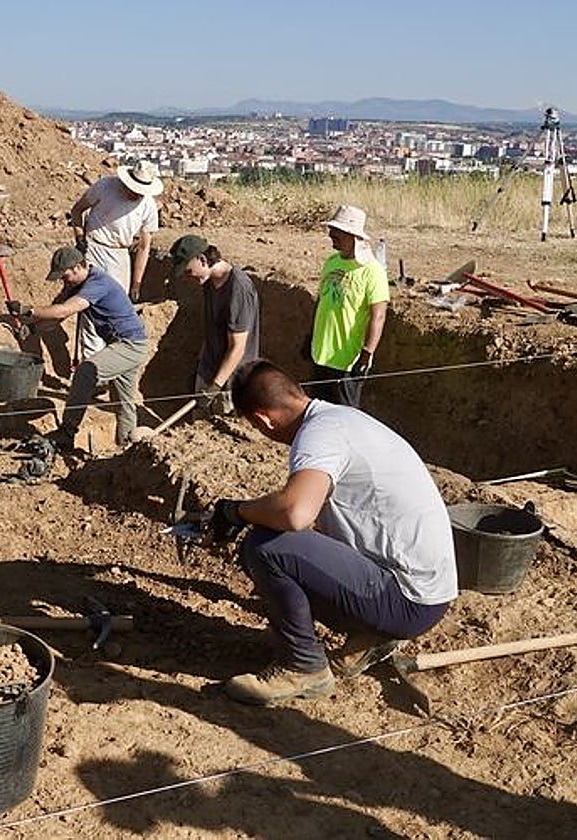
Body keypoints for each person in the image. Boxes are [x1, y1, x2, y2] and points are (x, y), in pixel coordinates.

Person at [207, 360, 457, 706]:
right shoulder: (341, 419)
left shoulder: (319, 437)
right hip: (429, 592)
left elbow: (295, 513)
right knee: (289, 542)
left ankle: (303, 668)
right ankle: (371, 634)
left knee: (265, 546)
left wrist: (237, 511)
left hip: (407, 600)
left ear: (263, 419)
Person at [9, 246, 147, 448]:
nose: (63, 282)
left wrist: (28, 311)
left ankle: (67, 432)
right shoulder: (75, 286)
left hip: (130, 345)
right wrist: (32, 329)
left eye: (65, 276)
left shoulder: (98, 283)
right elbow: (57, 317)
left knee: (85, 372)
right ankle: (126, 448)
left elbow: (63, 310)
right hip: (121, 345)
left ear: (78, 267)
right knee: (123, 404)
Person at [68, 161, 161, 362]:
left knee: (114, 310)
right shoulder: (105, 186)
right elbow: (77, 211)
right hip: (94, 247)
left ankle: (109, 362)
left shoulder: (148, 205)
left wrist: (136, 282)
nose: (136, 194)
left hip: (120, 255)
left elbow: (144, 247)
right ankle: (91, 365)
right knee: (90, 310)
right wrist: (79, 238)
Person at [168, 234, 260, 416]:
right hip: (209, 368)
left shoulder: (238, 289)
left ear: (202, 260)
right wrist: (200, 365)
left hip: (231, 379)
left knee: (220, 430)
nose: (188, 277)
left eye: (188, 271)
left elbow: (237, 348)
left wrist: (215, 387)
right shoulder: (209, 283)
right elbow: (212, 328)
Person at [308, 205, 389, 408]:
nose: (331, 235)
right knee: (319, 415)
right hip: (321, 355)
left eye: (337, 232)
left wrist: (367, 353)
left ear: (352, 235)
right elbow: (323, 303)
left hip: (347, 362)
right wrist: (311, 336)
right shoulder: (331, 262)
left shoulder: (372, 271)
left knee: (345, 419)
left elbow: (378, 315)